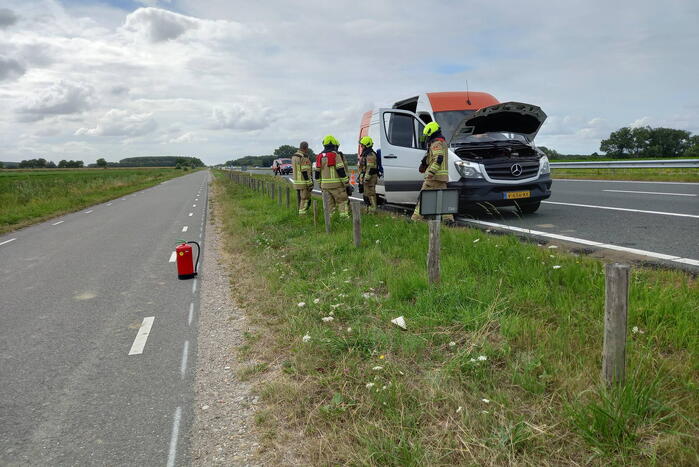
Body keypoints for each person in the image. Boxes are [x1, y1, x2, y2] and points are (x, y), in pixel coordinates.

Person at [411, 122, 453, 222]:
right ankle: (448, 220)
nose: (427, 138)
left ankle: (415, 219)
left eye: (428, 135)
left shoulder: (436, 143)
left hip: (434, 177)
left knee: (423, 197)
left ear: (431, 133)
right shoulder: (442, 142)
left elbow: (438, 159)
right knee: (444, 199)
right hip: (442, 177)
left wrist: (430, 173)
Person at [315, 135, 352, 218]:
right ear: (334, 145)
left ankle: (331, 220)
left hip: (325, 186)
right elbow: (341, 170)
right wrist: (346, 183)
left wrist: (320, 184)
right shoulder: (335, 155)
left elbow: (317, 173)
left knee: (329, 206)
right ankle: (344, 219)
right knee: (342, 202)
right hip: (337, 186)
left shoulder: (320, 156)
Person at [291, 141, 313, 214]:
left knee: (300, 199)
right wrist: (309, 183)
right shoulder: (304, 157)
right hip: (303, 182)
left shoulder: (294, 156)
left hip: (296, 182)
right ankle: (302, 215)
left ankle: (299, 212)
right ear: (306, 148)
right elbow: (305, 171)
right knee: (305, 199)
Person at [358, 136, 378, 212]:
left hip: (370, 178)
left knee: (370, 194)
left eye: (362, 145)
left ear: (367, 145)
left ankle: (372, 211)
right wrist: (361, 178)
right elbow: (363, 167)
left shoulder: (370, 155)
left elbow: (370, 169)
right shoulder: (366, 154)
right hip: (366, 178)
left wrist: (365, 179)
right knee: (366, 195)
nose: (361, 147)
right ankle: (368, 210)